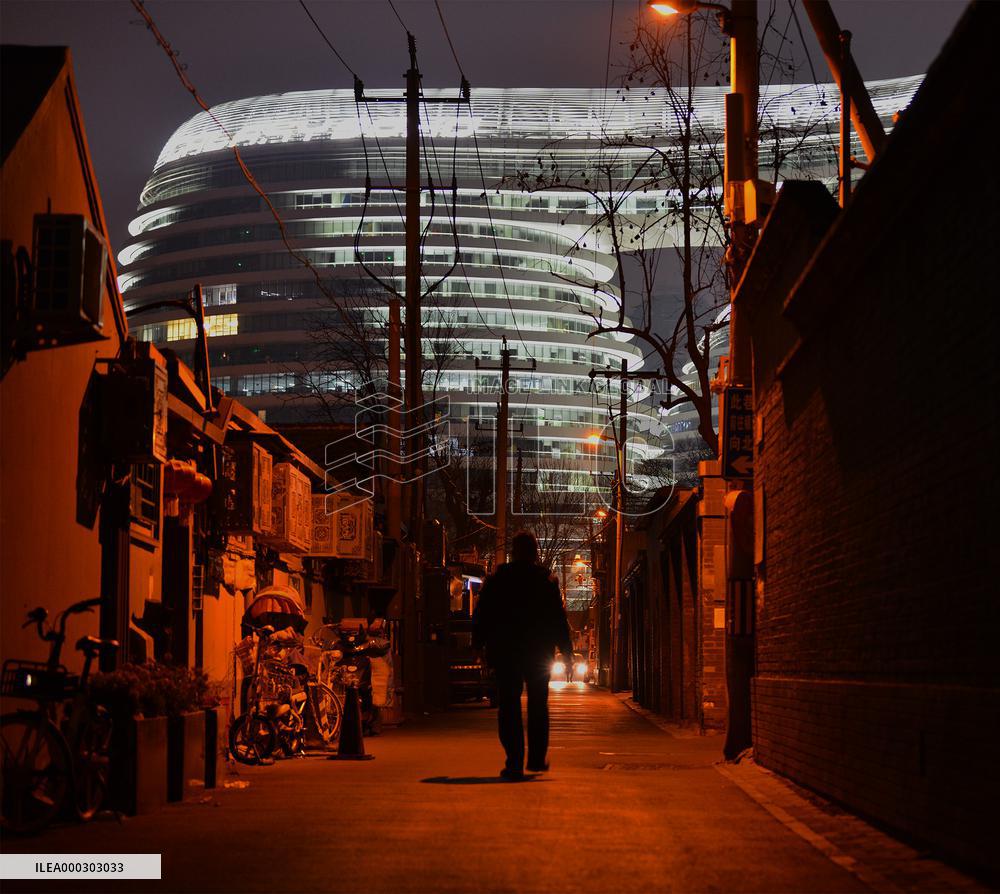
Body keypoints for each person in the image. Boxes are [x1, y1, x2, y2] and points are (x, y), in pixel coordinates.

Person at [473, 530, 573, 780]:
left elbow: (483, 614)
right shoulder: (545, 580)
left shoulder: (498, 579)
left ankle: (514, 761)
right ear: (535, 552)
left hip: (506, 651)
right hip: (539, 652)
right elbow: (558, 619)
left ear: (513, 552)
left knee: (509, 705)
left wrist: (478, 646)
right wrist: (567, 652)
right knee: (538, 704)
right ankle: (537, 758)